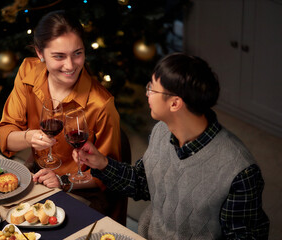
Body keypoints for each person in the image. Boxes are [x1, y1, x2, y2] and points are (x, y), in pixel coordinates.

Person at [74, 53, 270, 239]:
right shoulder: (162, 131)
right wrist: (101, 163)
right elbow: (143, 183)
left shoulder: (240, 171)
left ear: (175, 103)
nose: (146, 93)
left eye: (152, 88)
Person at [0, 10, 123, 220]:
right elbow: (4, 135)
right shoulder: (28, 71)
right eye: (59, 56)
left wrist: (63, 182)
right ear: (40, 53)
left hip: (82, 190)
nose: (70, 65)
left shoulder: (102, 104)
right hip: (39, 173)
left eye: (77, 53)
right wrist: (29, 137)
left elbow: (110, 174)